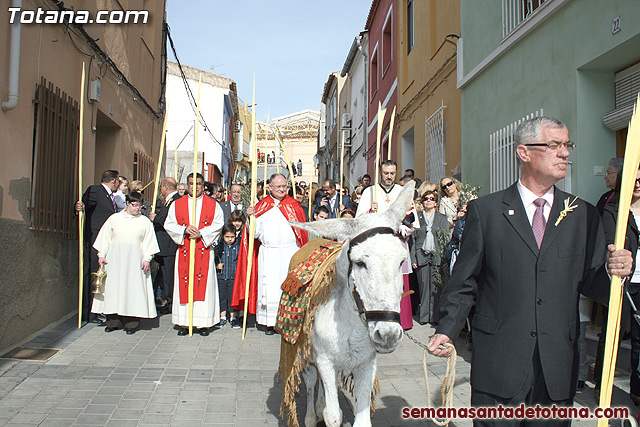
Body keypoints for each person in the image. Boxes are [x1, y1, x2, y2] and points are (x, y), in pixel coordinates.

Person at [428, 116, 633, 426]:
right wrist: (446, 328)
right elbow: (464, 281)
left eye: (567, 145)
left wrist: (614, 271)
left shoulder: (583, 215)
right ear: (523, 152)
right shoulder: (486, 212)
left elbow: (595, 285)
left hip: (556, 366)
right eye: (554, 145)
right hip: (498, 360)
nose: (564, 152)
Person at [233, 173, 309, 335]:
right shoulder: (261, 206)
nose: (282, 190)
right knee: (270, 289)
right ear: (270, 187)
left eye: (284, 187)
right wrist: (251, 217)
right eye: (278, 187)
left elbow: (302, 232)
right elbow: (253, 234)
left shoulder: (294, 205)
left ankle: (289, 320)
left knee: (289, 289)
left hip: (290, 253)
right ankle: (270, 323)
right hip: (269, 254)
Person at [164, 172, 225, 336]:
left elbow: (219, 224)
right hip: (185, 250)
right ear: (187, 185)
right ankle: (185, 322)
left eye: (198, 184)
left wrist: (202, 233)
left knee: (203, 286)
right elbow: (169, 224)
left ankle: (203, 323)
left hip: (203, 250)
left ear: (203, 186)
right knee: (184, 285)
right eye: (191, 183)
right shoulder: (177, 204)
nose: (195, 187)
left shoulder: (213, 204)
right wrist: (184, 229)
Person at [91, 191, 159, 334]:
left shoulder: (144, 222)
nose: (137, 209)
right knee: (114, 289)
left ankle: (131, 323)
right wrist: (101, 254)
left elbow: (149, 242)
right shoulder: (114, 219)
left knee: (132, 291)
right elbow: (105, 238)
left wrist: (147, 258)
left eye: (139, 206)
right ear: (127, 203)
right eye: (134, 205)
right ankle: (113, 321)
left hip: (135, 262)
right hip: (115, 261)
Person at [75, 169, 120, 323]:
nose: (118, 185)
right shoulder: (95, 190)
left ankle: (98, 309)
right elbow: (84, 204)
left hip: (106, 241)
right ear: (113, 180)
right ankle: (87, 312)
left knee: (100, 276)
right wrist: (79, 207)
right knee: (92, 275)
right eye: (117, 181)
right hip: (95, 239)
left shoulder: (110, 196)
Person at [410, 184, 449, 325]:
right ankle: (425, 317)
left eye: (431, 198)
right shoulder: (417, 218)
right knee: (424, 286)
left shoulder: (442, 218)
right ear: (422, 201)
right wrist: (413, 258)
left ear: (435, 202)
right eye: (426, 198)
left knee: (436, 288)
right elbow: (413, 240)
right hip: (421, 255)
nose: (428, 201)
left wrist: (445, 258)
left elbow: (445, 240)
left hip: (437, 255)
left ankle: (435, 317)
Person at [149, 177, 182, 315]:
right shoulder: (169, 201)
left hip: (169, 246)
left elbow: (169, 220)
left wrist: (155, 218)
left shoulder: (176, 201)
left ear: (164, 187)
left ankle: (171, 302)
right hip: (163, 247)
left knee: (169, 276)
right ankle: (168, 300)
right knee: (165, 276)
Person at [215, 224, 241, 329]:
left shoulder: (237, 248)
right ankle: (222, 317)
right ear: (222, 236)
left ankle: (233, 318)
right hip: (221, 276)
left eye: (232, 237)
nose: (230, 239)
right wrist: (217, 265)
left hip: (233, 277)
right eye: (227, 237)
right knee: (222, 297)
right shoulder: (219, 247)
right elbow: (214, 259)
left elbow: (240, 261)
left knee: (232, 298)